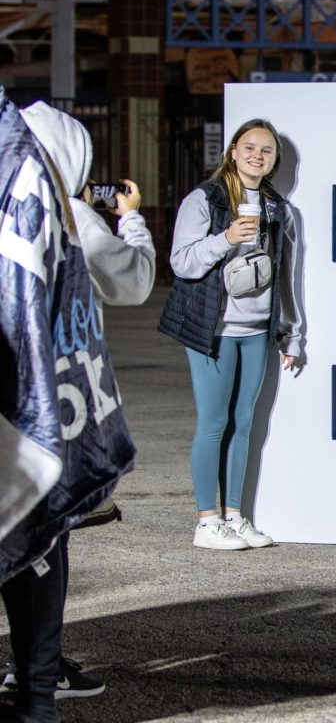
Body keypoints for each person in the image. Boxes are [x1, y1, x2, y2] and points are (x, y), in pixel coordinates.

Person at [0, 103, 157, 706]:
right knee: (45, 537)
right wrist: (133, 219)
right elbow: (134, 281)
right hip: (51, 407)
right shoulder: (69, 221)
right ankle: (36, 675)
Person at [157, 119, 302, 551]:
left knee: (244, 424)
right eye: (250, 147)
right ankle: (206, 521)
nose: (258, 155)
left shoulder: (279, 208)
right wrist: (225, 238)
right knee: (214, 422)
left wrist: (290, 333)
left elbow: (287, 276)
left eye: (268, 151)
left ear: (275, 160)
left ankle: (235, 517)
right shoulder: (205, 198)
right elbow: (182, 262)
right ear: (233, 151)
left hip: (257, 329)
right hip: (213, 328)